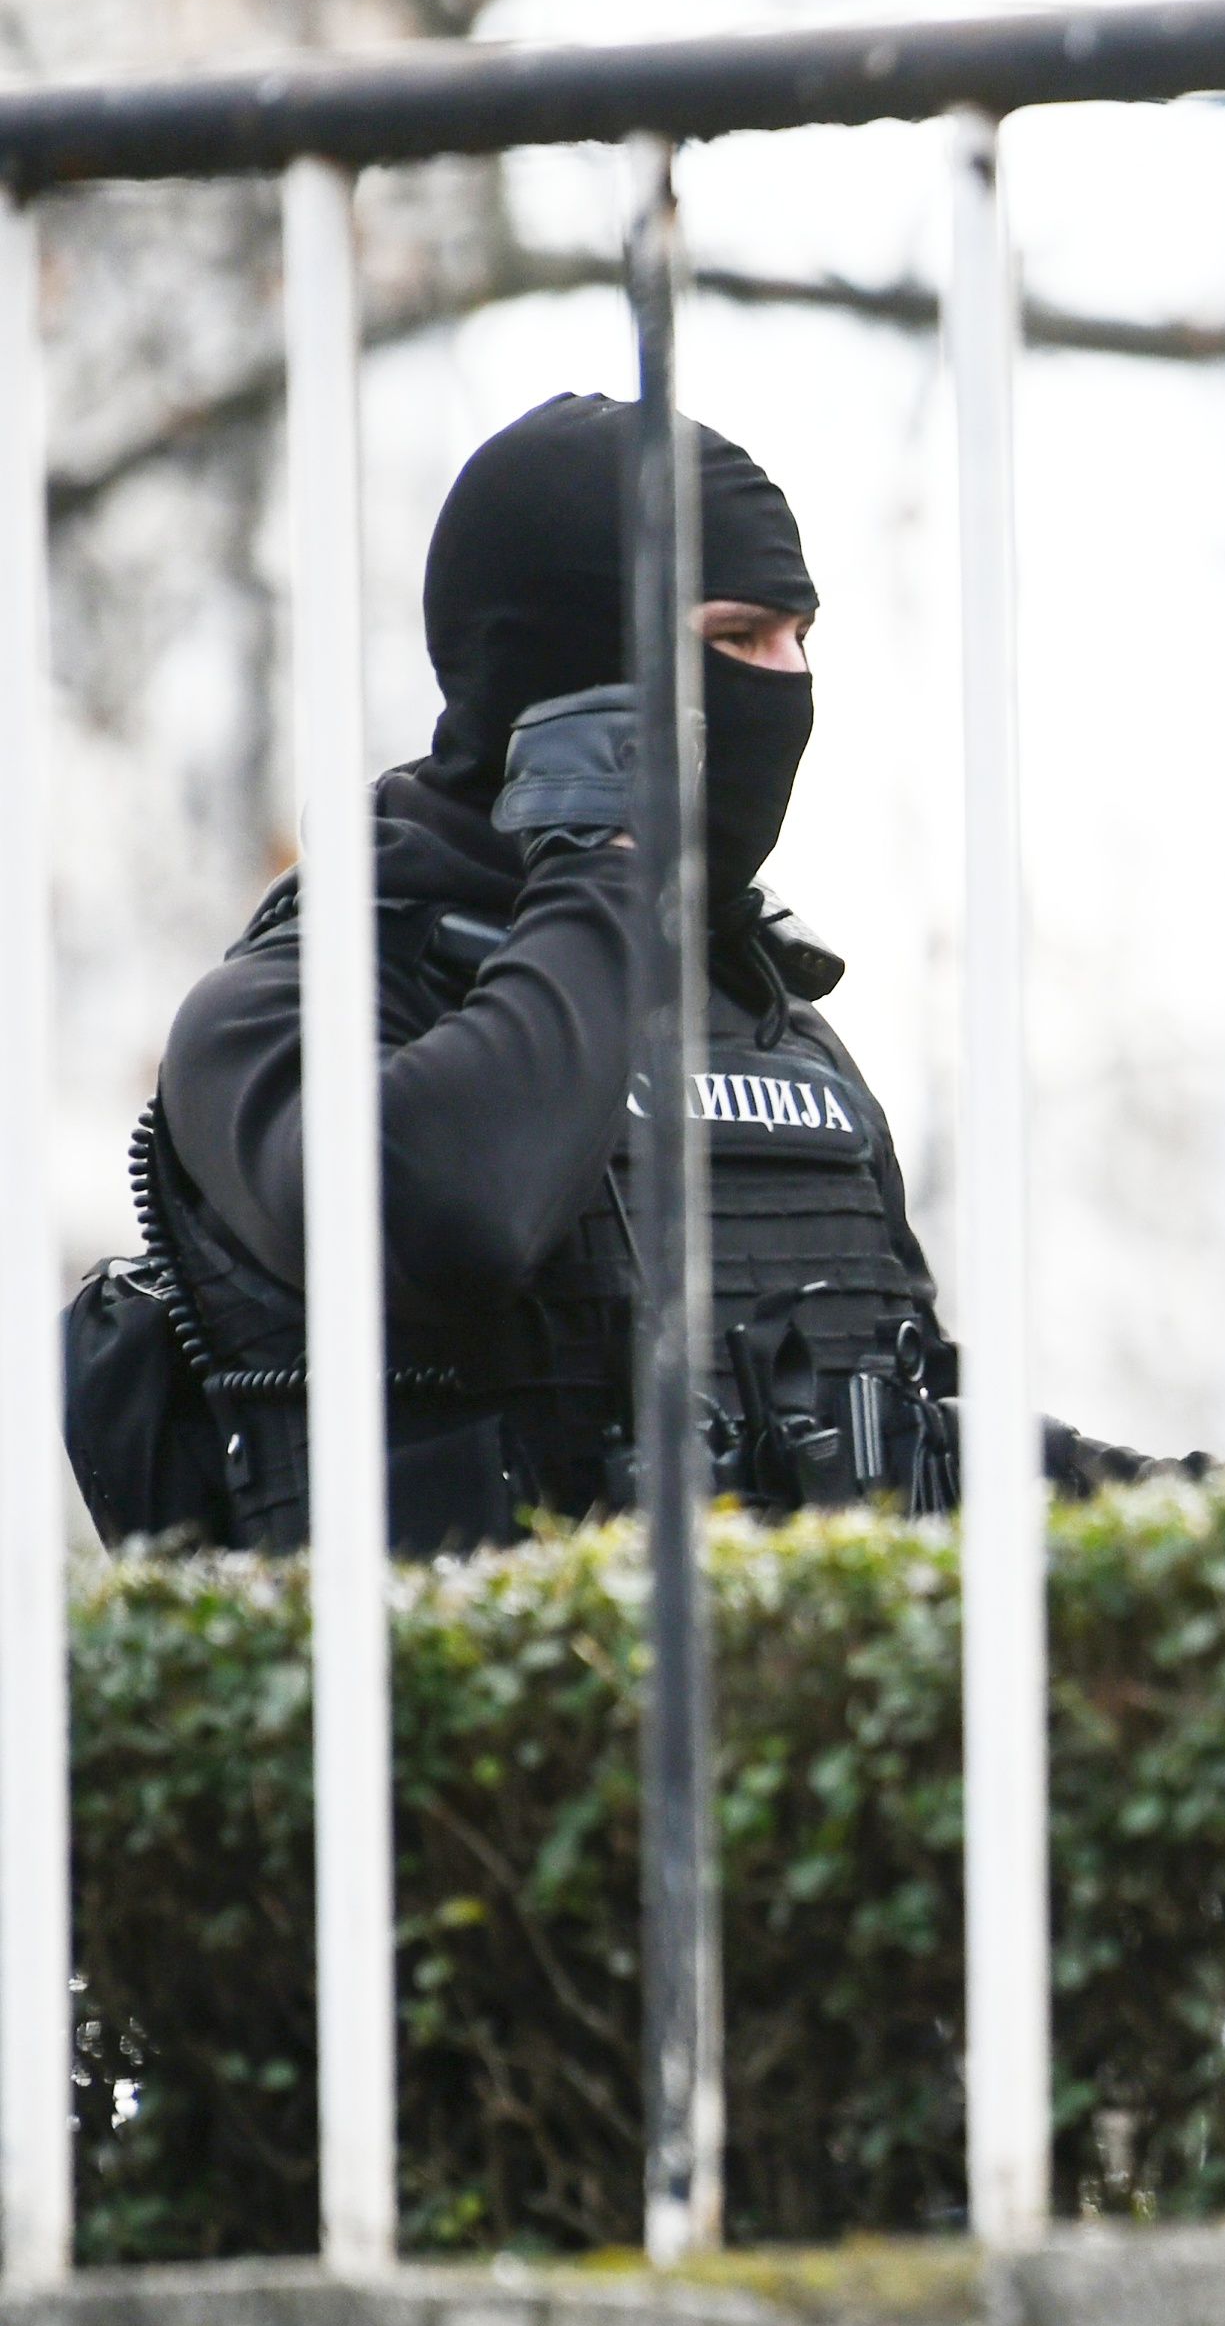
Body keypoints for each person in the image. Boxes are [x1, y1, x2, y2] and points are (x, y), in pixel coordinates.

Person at [92, 392, 1110, 1553]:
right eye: (734, 640)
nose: (786, 684)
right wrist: (608, 862)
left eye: (800, 638)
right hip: (462, 1731)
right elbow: (449, 1213)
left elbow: (920, 1435)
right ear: (569, 676)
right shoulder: (280, 1010)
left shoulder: (776, 1025)